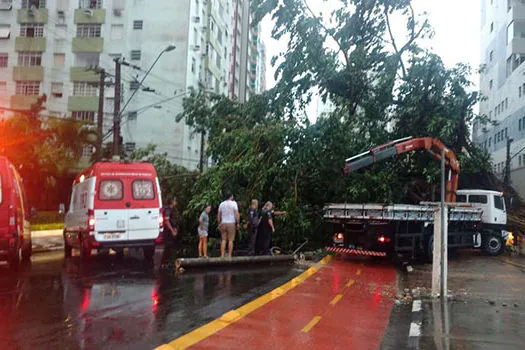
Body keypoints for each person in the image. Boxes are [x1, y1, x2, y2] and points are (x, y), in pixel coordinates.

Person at [218, 193, 240, 258]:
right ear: (231, 196)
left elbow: (219, 214)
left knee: (223, 239)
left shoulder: (221, 204)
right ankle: (229, 255)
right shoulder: (234, 203)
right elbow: (237, 213)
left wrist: (219, 223)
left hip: (223, 222)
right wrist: (238, 223)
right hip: (231, 223)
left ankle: (222, 255)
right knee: (230, 240)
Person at [160, 198, 178, 268]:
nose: (175, 202)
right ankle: (164, 263)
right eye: (174, 201)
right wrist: (172, 230)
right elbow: (167, 221)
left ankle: (167, 262)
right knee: (167, 247)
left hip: (171, 230)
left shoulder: (172, 210)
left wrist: (175, 229)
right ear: (172, 202)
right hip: (168, 231)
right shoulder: (168, 210)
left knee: (170, 247)